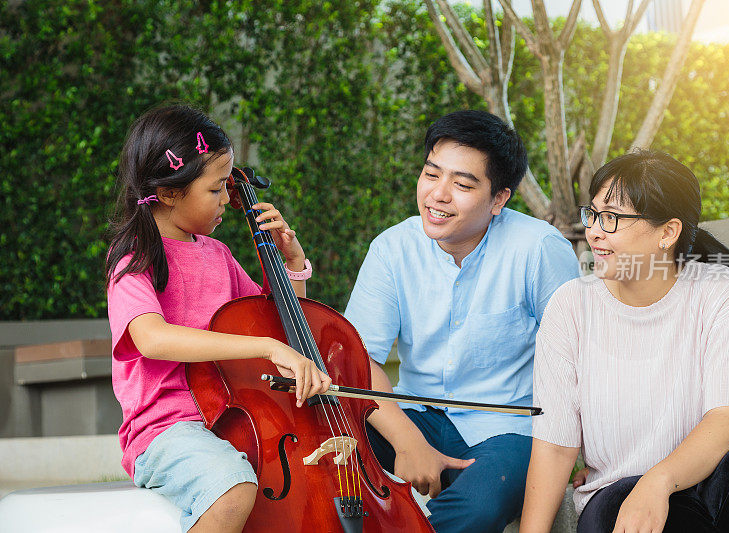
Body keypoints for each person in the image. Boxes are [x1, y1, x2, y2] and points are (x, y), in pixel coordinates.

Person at [520, 150, 729, 533]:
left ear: (667, 232)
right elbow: (554, 447)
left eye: (612, 218)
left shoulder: (719, 290)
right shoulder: (570, 307)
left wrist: (658, 480)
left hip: (727, 484)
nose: (595, 231)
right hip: (622, 492)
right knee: (616, 510)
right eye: (594, 214)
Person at [344, 110, 580, 532]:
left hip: (509, 431)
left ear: (498, 199)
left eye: (462, 184)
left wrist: (588, 458)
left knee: (478, 507)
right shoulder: (392, 249)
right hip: (414, 413)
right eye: (431, 174)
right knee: (332, 452)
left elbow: (580, 362)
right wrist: (408, 441)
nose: (438, 194)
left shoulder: (540, 249)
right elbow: (360, 361)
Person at [104, 104, 331, 533]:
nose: (229, 199)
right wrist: (267, 348)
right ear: (169, 192)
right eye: (216, 189)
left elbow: (277, 324)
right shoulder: (135, 256)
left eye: (229, 186)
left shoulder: (218, 255)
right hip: (168, 429)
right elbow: (153, 338)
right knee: (233, 488)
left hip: (235, 414)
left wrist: (293, 262)